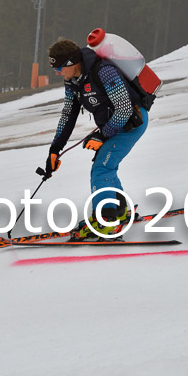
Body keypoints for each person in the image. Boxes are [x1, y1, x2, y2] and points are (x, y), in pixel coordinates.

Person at [45, 38, 148, 239]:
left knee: (102, 167)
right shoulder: (72, 82)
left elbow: (125, 108)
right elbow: (68, 115)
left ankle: (108, 221)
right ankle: (119, 211)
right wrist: (54, 150)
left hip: (132, 122)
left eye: (58, 68)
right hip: (113, 124)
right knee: (105, 164)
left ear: (71, 63)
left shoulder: (103, 71)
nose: (57, 73)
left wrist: (102, 135)